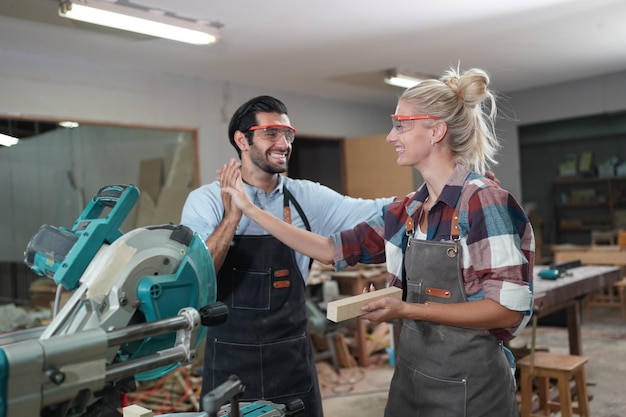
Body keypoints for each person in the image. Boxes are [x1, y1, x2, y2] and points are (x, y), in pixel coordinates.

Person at [221, 67, 535, 417]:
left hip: (473, 386)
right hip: (412, 378)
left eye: (401, 125)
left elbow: (507, 309)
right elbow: (330, 250)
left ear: (436, 130)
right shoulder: (411, 209)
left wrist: (405, 309)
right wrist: (250, 209)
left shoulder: (482, 200)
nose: (390, 136)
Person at [180, 95, 393, 417]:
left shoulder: (307, 197)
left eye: (288, 134)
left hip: (292, 358)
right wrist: (232, 220)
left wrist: (443, 190)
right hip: (230, 363)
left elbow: (379, 209)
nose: (284, 143)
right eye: (271, 134)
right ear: (242, 139)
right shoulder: (206, 200)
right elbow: (197, 273)